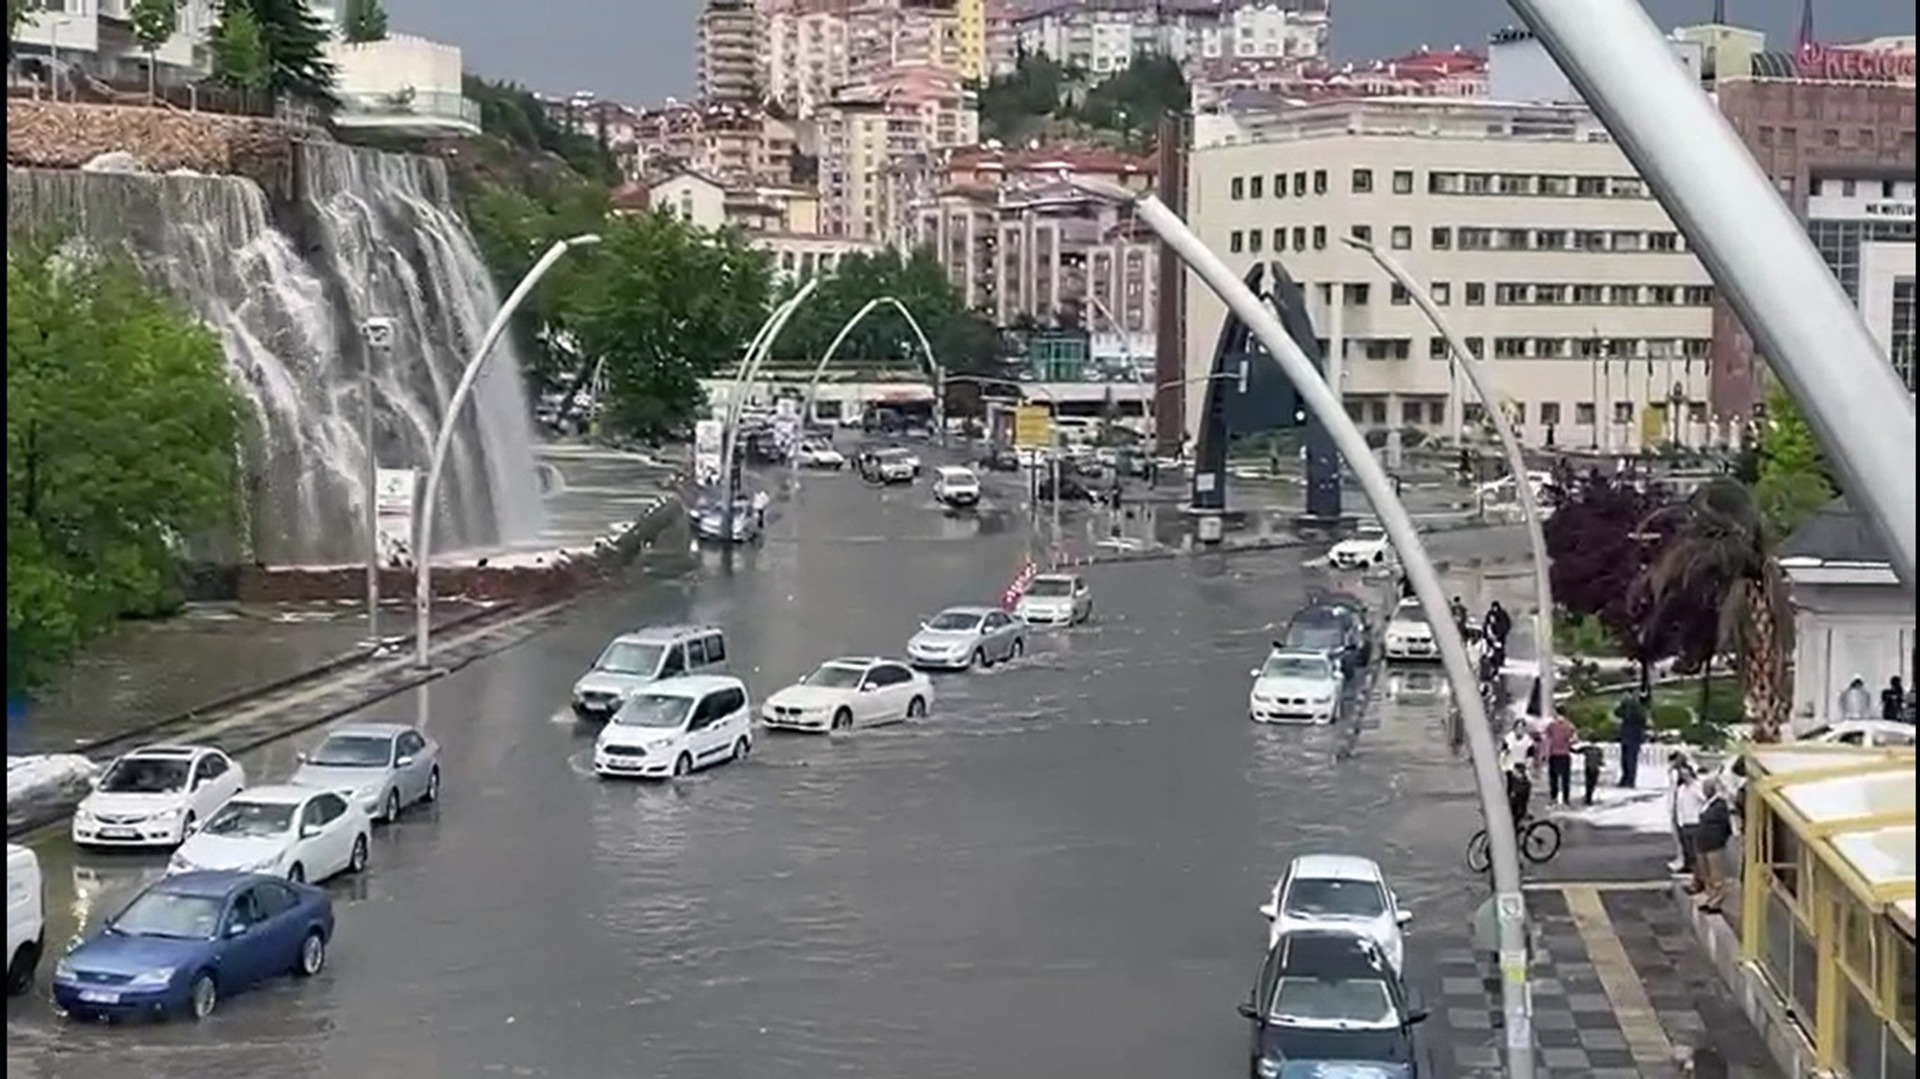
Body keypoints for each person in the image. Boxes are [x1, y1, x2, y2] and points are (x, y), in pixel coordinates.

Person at [1693, 778, 1735, 914]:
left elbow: (1728, 826)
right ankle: (1710, 897)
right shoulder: (1707, 804)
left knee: (1716, 875)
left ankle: (1717, 901)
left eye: (1707, 788)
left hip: (1714, 844)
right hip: (1703, 844)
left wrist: (1721, 839)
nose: (1705, 791)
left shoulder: (1720, 805)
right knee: (1707, 874)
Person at [1670, 755, 1705, 877]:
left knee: (1697, 854)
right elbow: (1678, 806)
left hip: (1696, 822)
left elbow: (1704, 800)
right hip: (1684, 823)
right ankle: (1693, 873)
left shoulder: (1697, 786)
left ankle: (1700, 877)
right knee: (1689, 853)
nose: (1683, 774)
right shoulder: (1681, 789)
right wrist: (1679, 822)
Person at [1615, 689, 1650, 787]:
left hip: (1634, 736)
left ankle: (1630, 780)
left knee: (1631, 759)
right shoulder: (1627, 706)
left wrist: (1629, 705)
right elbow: (1617, 713)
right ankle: (1625, 778)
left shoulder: (1639, 708)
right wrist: (1624, 704)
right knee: (1625, 759)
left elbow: (1642, 719)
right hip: (1626, 735)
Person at [1543, 710, 1577, 806]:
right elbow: (1575, 739)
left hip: (1554, 754)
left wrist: (1545, 753)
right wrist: (1569, 743)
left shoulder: (1552, 725)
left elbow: (1546, 738)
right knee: (1565, 778)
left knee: (1554, 778)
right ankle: (1565, 799)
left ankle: (1554, 798)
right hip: (1564, 754)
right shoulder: (1569, 726)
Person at [1505, 761, 1533, 830]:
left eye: (1516, 772)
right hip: (1514, 807)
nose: (1514, 773)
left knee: (1514, 826)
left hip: (1518, 809)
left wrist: (1514, 794)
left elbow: (1518, 794)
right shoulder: (1514, 780)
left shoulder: (1525, 784)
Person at [1578, 738, 1605, 806]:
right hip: (1595, 768)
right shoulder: (1599, 750)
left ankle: (1588, 798)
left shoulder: (1586, 748)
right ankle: (1589, 798)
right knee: (1592, 784)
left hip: (1588, 768)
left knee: (1588, 783)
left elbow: (1576, 751)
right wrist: (1602, 764)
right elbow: (1600, 760)